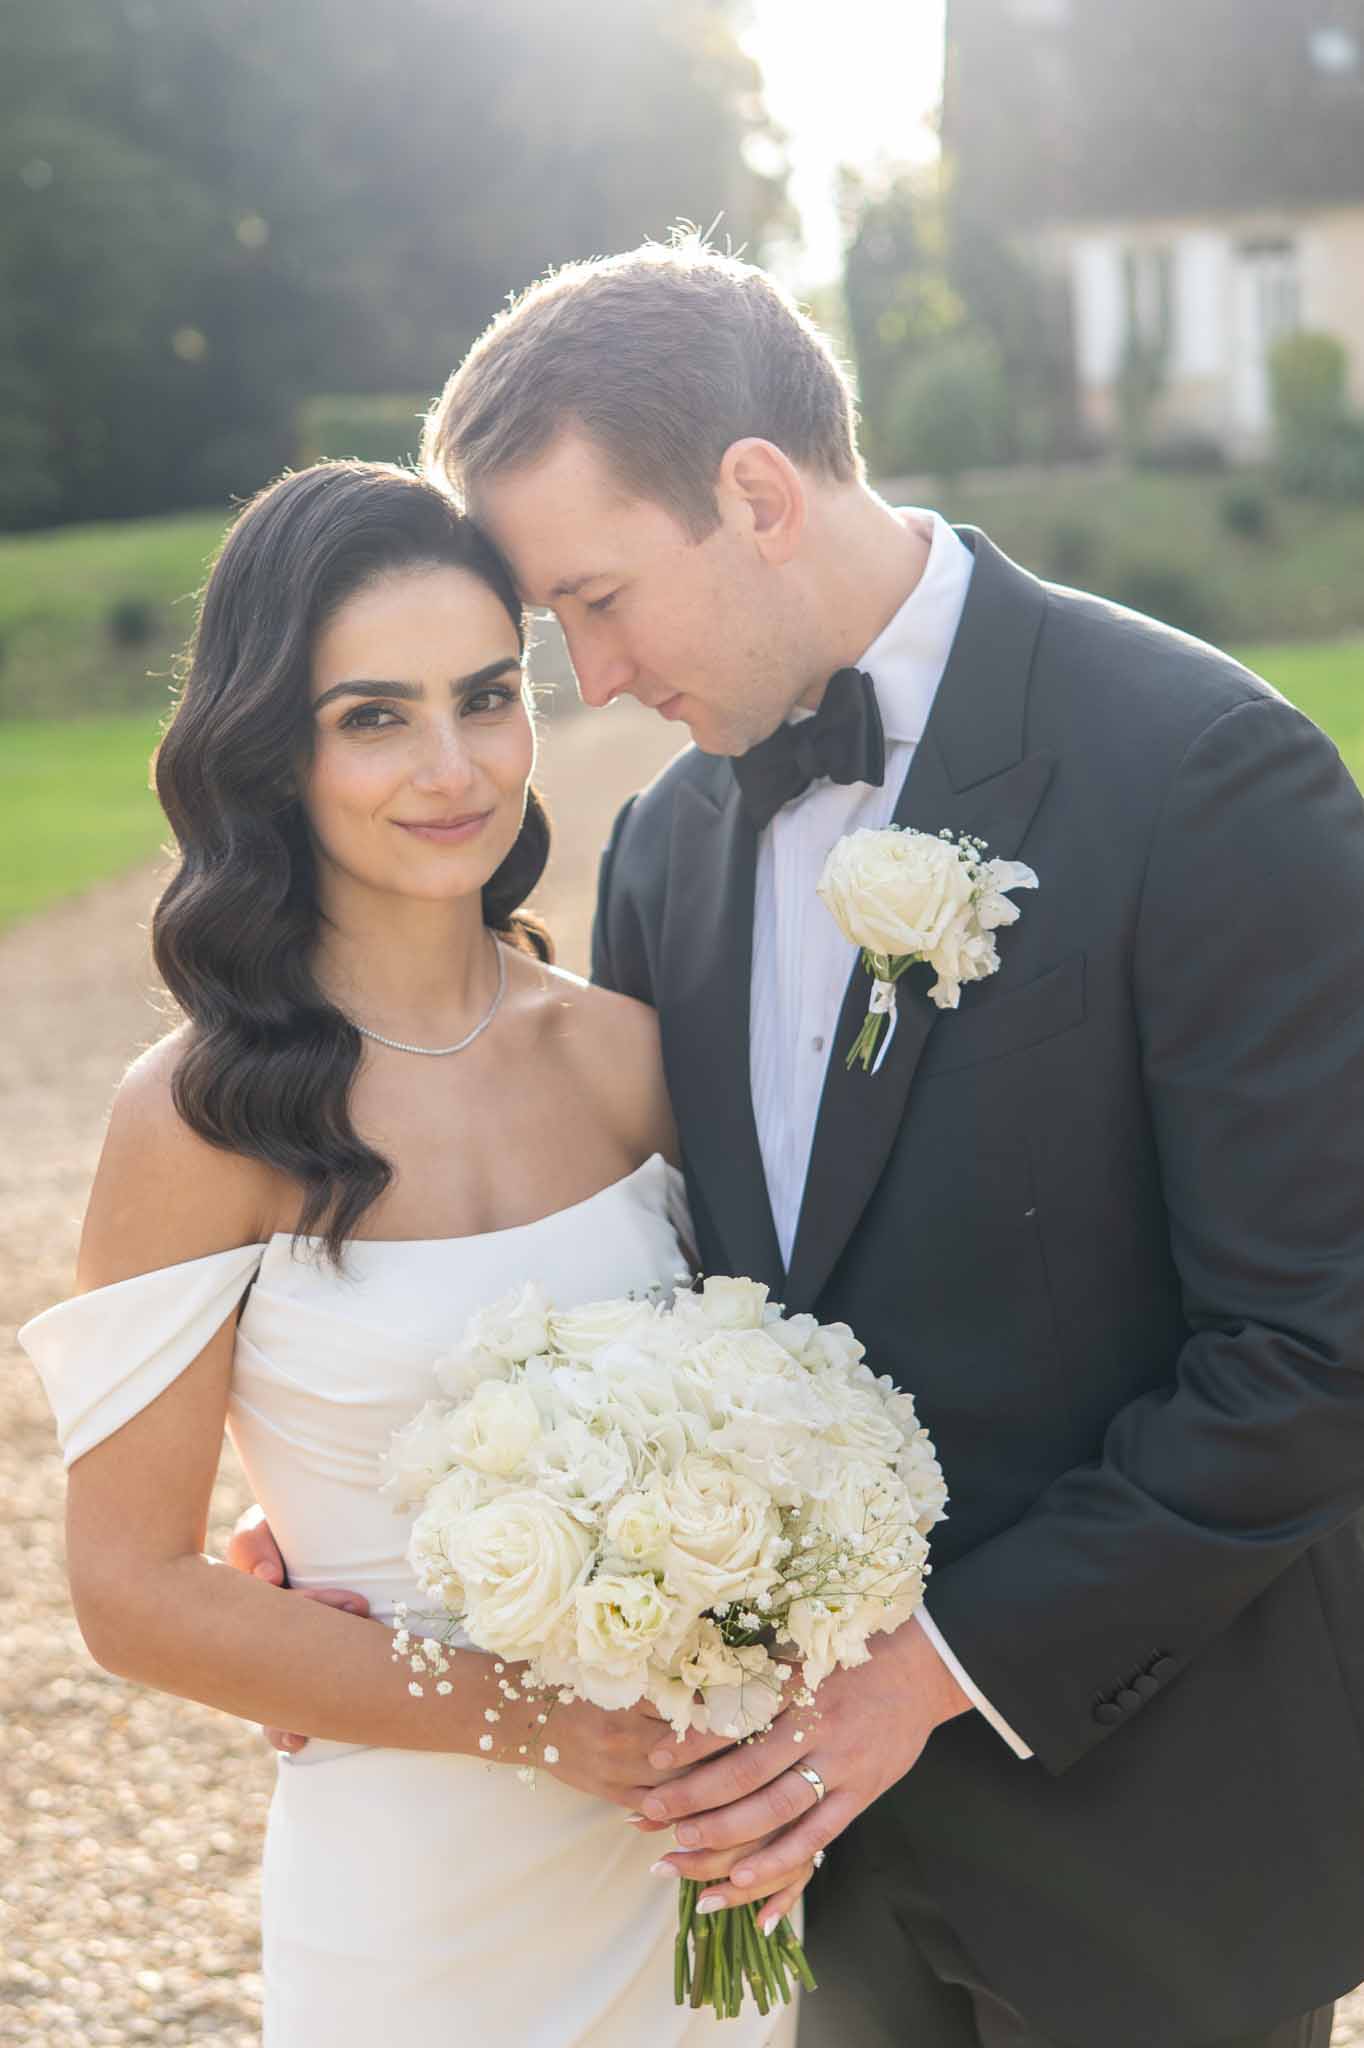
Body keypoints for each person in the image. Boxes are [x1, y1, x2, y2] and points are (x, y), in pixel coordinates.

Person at [238, 238, 1364, 2047]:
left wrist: (930, 1677)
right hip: (791, 1881)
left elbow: (1319, 1352)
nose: (591, 681)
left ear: (755, 494)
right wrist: (395, 1529)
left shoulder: (1210, 775)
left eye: (598, 601)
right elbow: (654, 1297)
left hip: (1153, 1850)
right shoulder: (675, 844)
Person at [18, 460, 806, 2046]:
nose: (452, 768)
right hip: (423, 1908)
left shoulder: (628, 1057)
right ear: (270, 750)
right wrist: (542, 1725)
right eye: (372, 716)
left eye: (487, 698)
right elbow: (129, 1589)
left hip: (697, 1862)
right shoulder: (197, 1118)